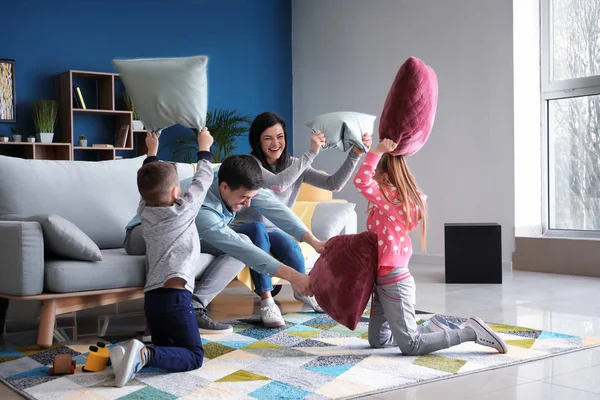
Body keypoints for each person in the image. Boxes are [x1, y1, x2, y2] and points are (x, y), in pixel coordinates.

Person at [354, 138, 507, 356]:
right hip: (382, 279)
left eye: (376, 172)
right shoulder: (388, 202)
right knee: (378, 340)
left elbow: (361, 180)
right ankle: (431, 329)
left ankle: (470, 333)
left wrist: (377, 151)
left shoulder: (391, 201)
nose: (372, 176)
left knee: (411, 345)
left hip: (393, 281)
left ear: (386, 178)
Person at [229, 111, 372, 327]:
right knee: (258, 230)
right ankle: (267, 301)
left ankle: (305, 292)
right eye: (268, 138)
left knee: (292, 247)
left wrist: (355, 154)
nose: (275, 143)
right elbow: (279, 184)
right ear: (257, 141)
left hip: (274, 229)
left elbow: (333, 184)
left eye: (280, 136)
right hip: (246, 228)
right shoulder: (250, 164)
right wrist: (311, 154)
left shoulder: (295, 164)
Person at [112, 128, 215, 387]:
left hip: (153, 299)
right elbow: (203, 179)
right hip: (176, 299)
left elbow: (148, 186)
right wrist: (204, 147)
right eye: (178, 186)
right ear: (174, 193)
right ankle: (145, 353)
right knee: (194, 356)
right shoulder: (183, 211)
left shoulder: (144, 211)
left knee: (168, 346)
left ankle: (131, 356)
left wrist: (151, 153)